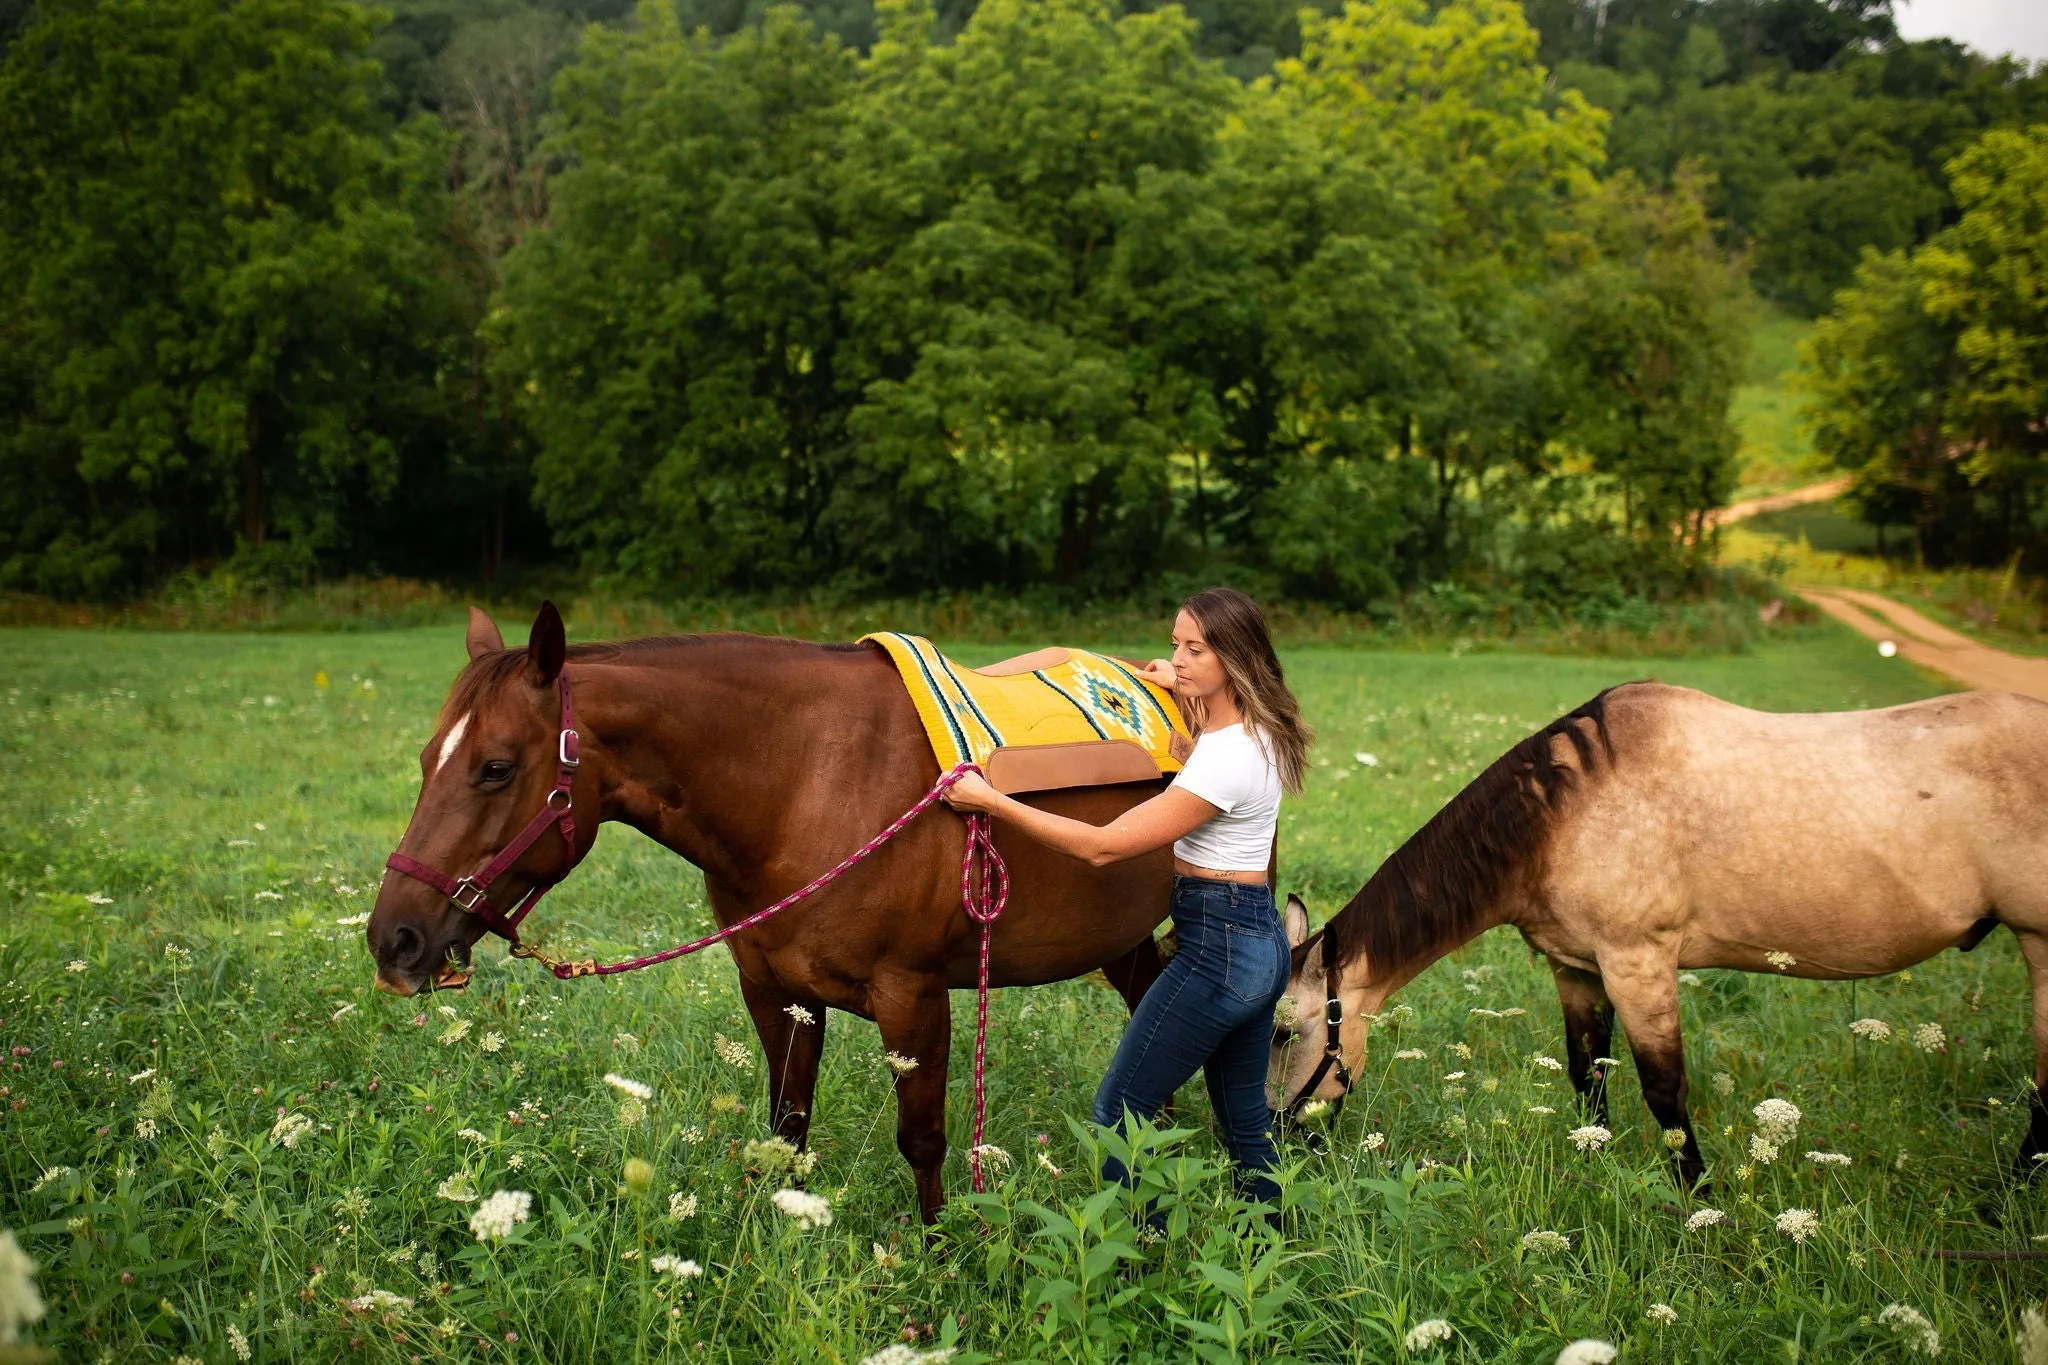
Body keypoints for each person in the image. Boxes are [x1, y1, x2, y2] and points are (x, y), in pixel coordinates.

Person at [942, 586, 1313, 1210]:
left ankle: (1142, 1246)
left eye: (1197, 650)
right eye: (1177, 645)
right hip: (1259, 943)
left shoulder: (1225, 759)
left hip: (1217, 952)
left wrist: (992, 802)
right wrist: (1179, 681)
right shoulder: (1264, 730)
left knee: (1121, 1111)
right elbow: (1213, 731)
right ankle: (1266, 1235)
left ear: (1235, 660)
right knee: (1246, 1119)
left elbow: (1104, 847)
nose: (1180, 659)